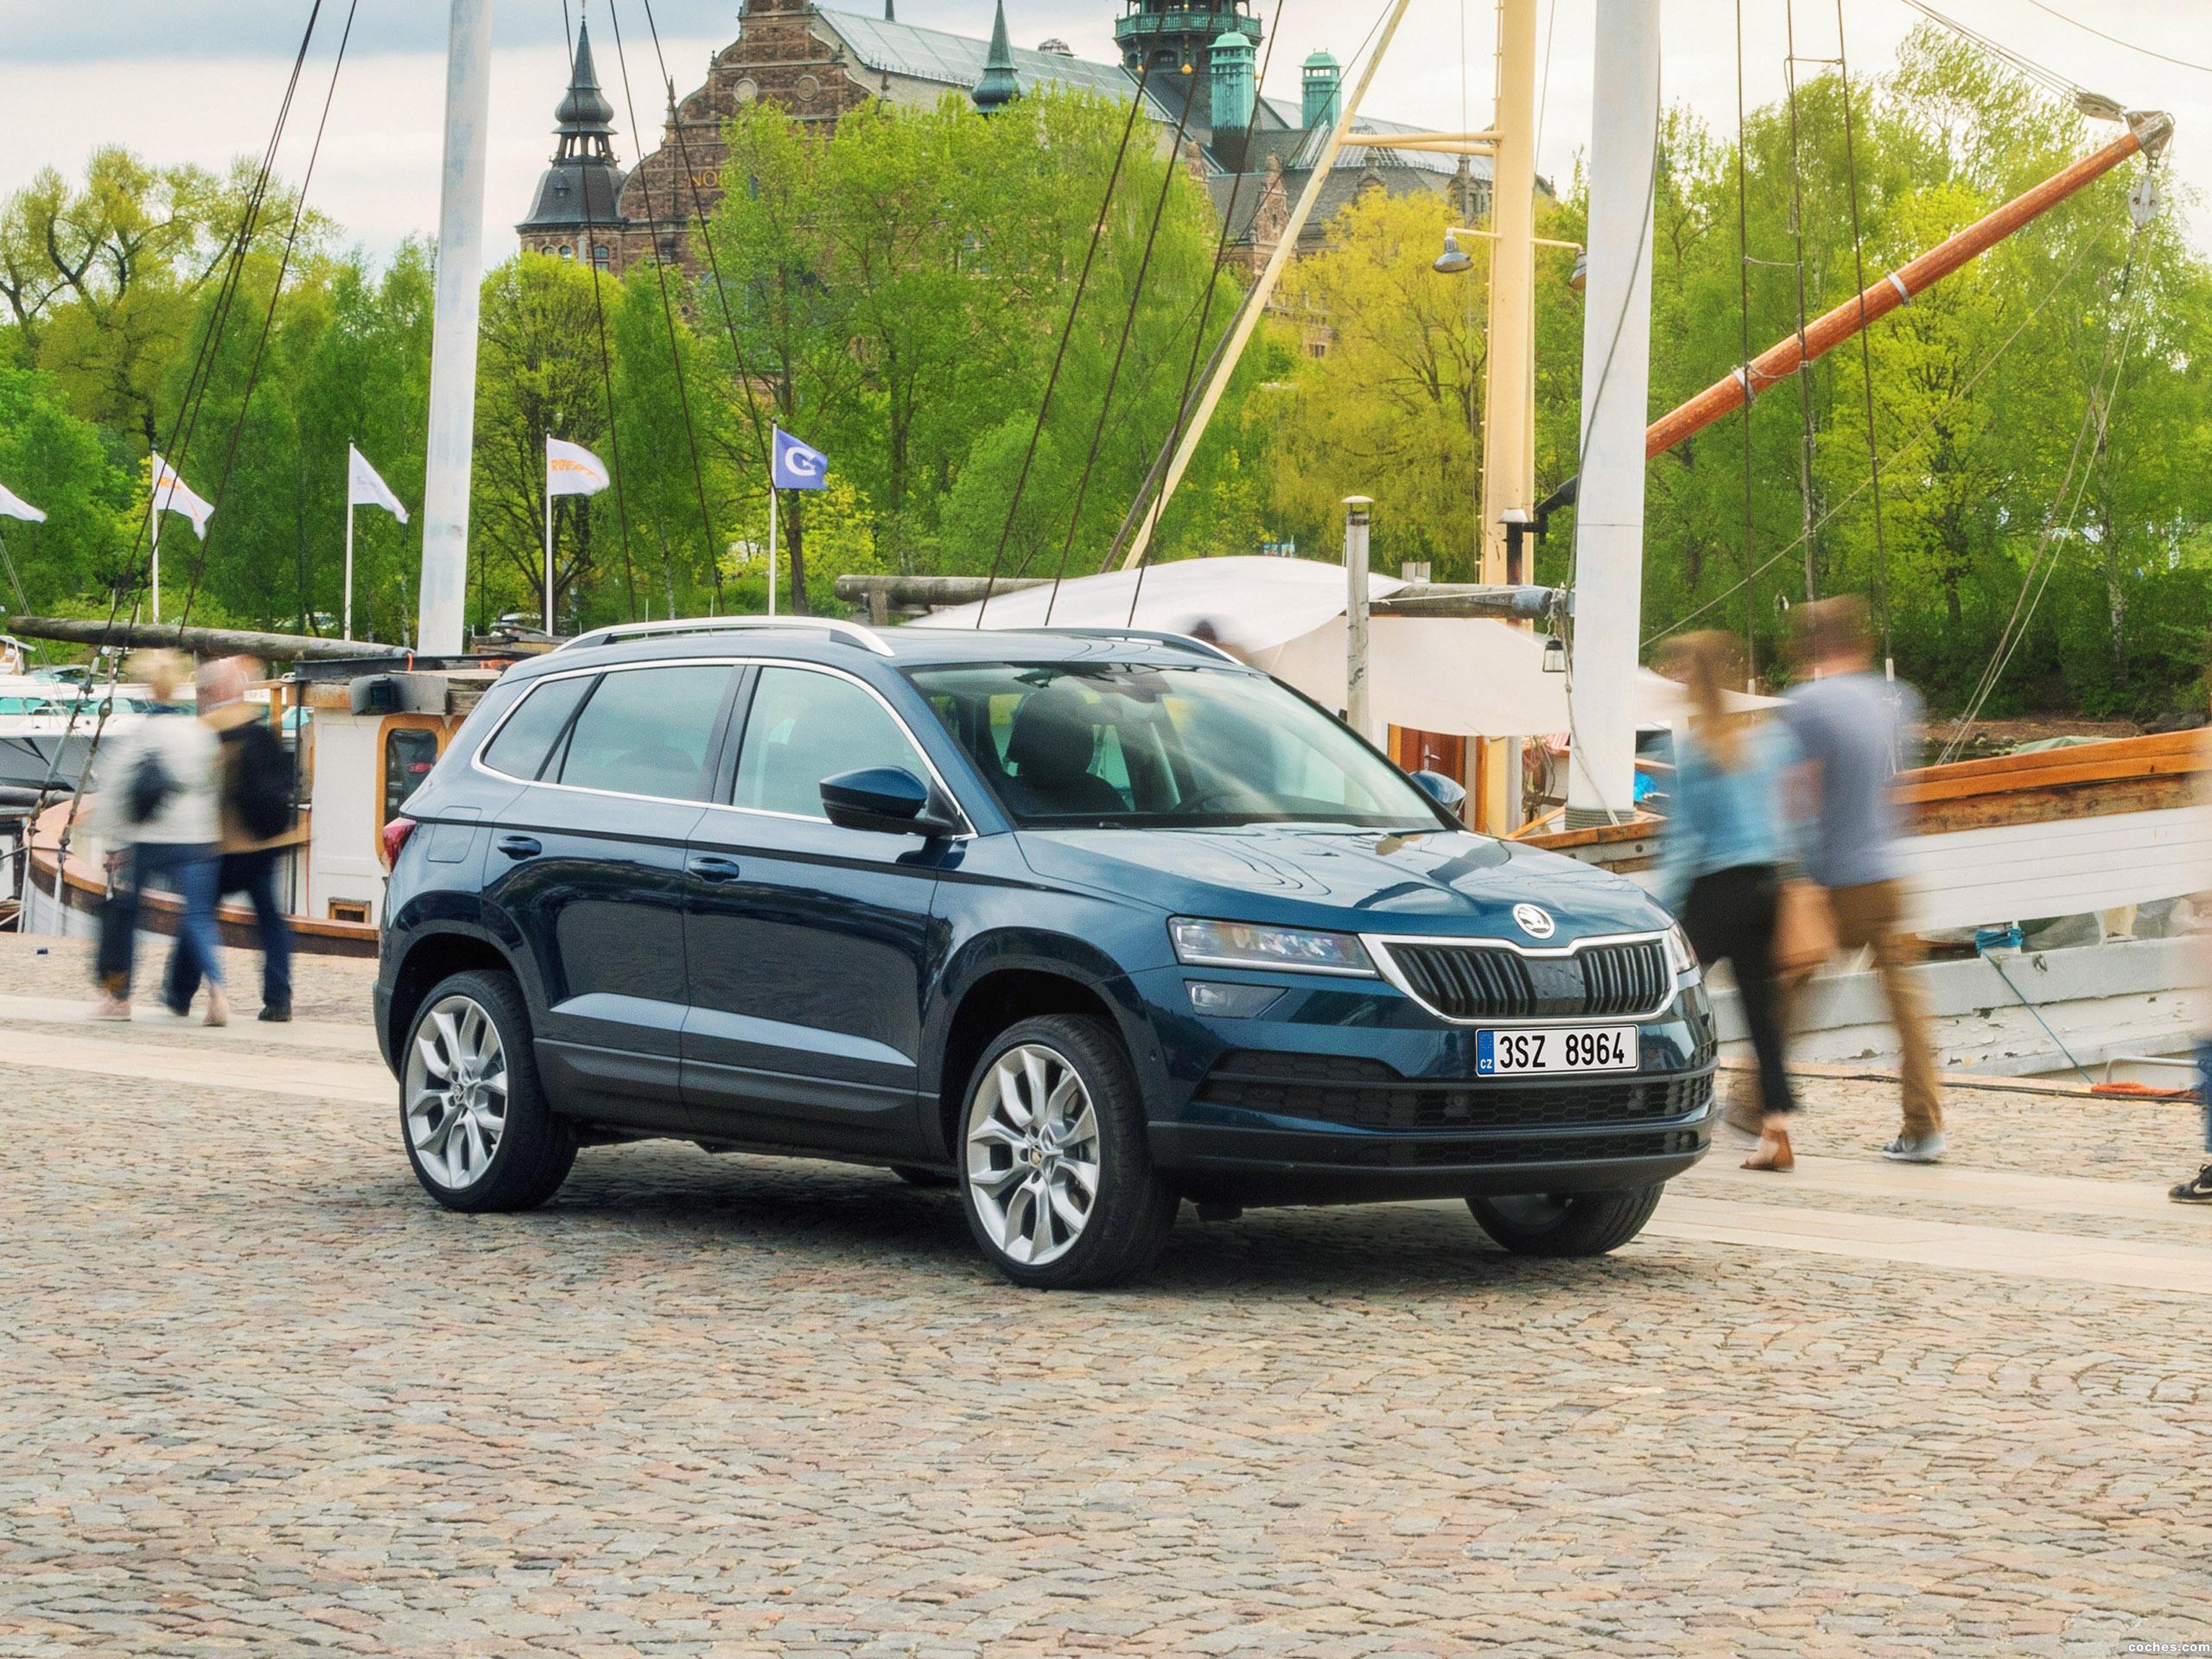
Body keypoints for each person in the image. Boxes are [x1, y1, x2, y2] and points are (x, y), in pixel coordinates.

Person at [1784, 595, 1944, 1162]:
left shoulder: (1806, 703)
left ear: (1811, 645)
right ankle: (1924, 1127)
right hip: (1890, 870)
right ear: (1862, 641)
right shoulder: (1897, 698)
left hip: (1833, 877)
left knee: (1789, 988)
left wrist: (1796, 872)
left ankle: (1754, 1106)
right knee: (1908, 1011)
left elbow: (1801, 793)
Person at [1658, 632, 1802, 1173]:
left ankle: (1655, 1101)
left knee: (1667, 991)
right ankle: (1776, 1133)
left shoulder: (1696, 751)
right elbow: (1792, 818)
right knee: (1761, 1014)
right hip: (1767, 886)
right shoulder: (1767, 742)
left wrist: (1662, 911)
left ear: (1692, 680)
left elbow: (1684, 843)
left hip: (1719, 890)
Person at [86, 649, 227, 1026]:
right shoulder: (199, 734)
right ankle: (218, 993)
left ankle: (120, 998)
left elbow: (117, 792)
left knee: (128, 915)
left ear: (148, 688)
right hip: (198, 837)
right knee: (198, 917)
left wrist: (114, 845)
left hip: (149, 838)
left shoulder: (140, 735)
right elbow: (214, 784)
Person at [164, 656, 300, 1022]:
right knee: (270, 923)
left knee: (198, 917)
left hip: (221, 844)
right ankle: (278, 998)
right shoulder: (261, 729)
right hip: (264, 843)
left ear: (213, 691)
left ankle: (179, 992)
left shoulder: (207, 732)